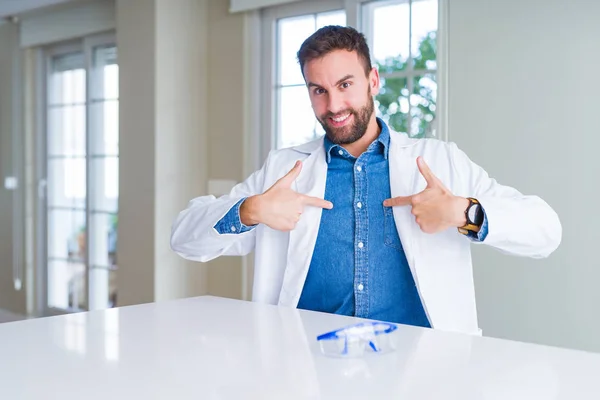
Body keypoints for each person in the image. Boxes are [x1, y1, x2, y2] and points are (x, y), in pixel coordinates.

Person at [170, 25, 561, 335]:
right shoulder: (284, 170)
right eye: (318, 90)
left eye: (345, 85)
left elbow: (546, 231)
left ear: (373, 80)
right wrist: (251, 209)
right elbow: (184, 238)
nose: (333, 106)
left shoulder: (441, 161)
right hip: (305, 370)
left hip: (424, 373)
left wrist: (465, 211)